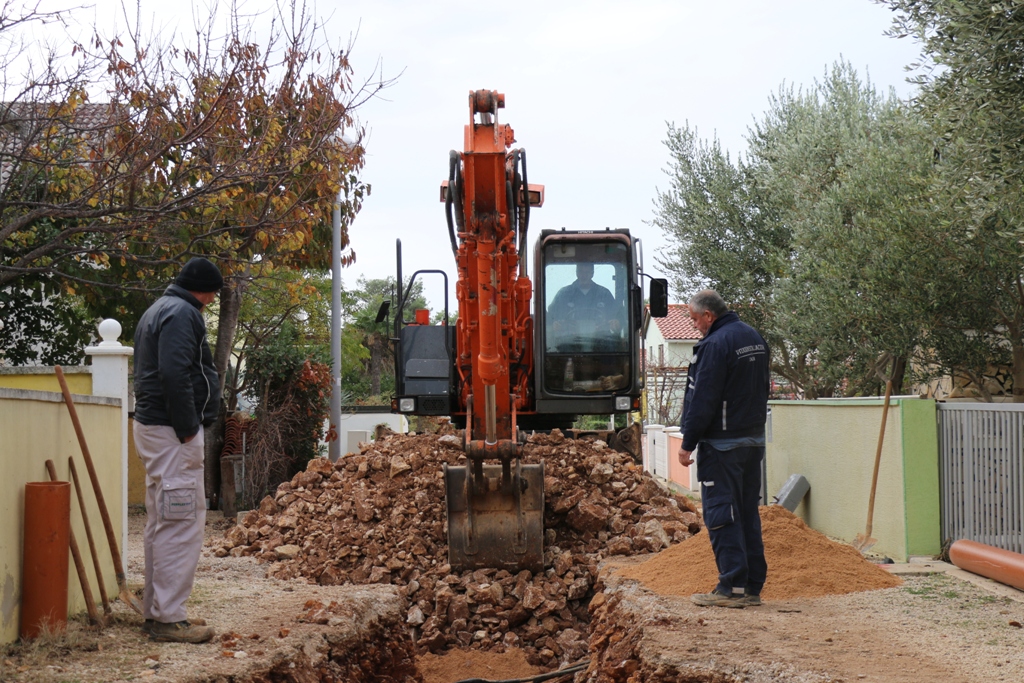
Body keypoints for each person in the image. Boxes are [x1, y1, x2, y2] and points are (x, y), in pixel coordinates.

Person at [133, 257, 223, 643]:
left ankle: (158, 612)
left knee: (162, 521)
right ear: (206, 291)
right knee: (181, 522)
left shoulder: (159, 308)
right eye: (215, 294)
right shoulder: (183, 313)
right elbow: (175, 373)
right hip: (173, 432)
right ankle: (169, 618)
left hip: (156, 428)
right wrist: (188, 428)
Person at [678, 289, 770, 608]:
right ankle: (752, 587)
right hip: (753, 441)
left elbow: (703, 398)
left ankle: (730, 586)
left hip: (722, 444)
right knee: (746, 512)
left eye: (694, 320)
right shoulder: (754, 336)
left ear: (709, 316)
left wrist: (687, 444)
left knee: (721, 513)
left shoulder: (716, 344)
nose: (694, 326)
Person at [548, 262, 622, 350]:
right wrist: (554, 324)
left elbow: (618, 315)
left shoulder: (604, 294)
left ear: (592, 273)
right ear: (576, 273)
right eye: (581, 272)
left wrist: (617, 322)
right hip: (570, 341)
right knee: (559, 347)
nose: (584, 275)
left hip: (600, 340)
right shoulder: (563, 294)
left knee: (612, 347)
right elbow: (550, 316)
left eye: (587, 272)